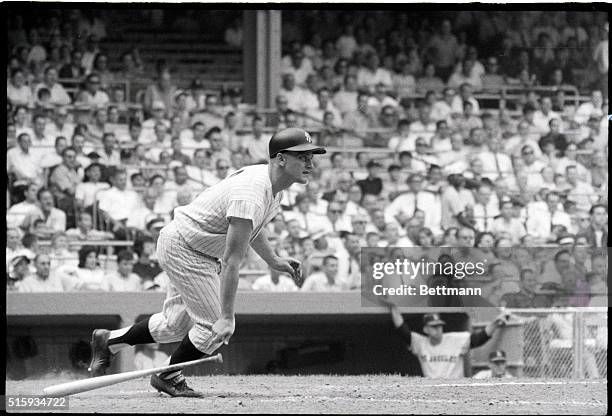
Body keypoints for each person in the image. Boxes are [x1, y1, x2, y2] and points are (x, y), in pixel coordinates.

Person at [87, 127, 325, 396]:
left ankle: (109, 340)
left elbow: (251, 229)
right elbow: (233, 262)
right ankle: (167, 375)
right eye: (302, 156)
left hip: (189, 245)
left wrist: (273, 260)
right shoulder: (252, 191)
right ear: (281, 158)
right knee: (214, 327)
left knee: (174, 325)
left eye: (311, 156)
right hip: (186, 248)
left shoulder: (273, 188)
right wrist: (226, 316)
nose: (310, 162)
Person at [387, 307, 509, 378]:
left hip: (454, 390)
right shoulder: (420, 342)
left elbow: (479, 339)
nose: (438, 329)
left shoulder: (454, 339)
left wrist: (494, 324)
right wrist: (393, 307)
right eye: (434, 326)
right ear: (426, 329)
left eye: (439, 326)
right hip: (431, 392)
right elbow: (402, 330)